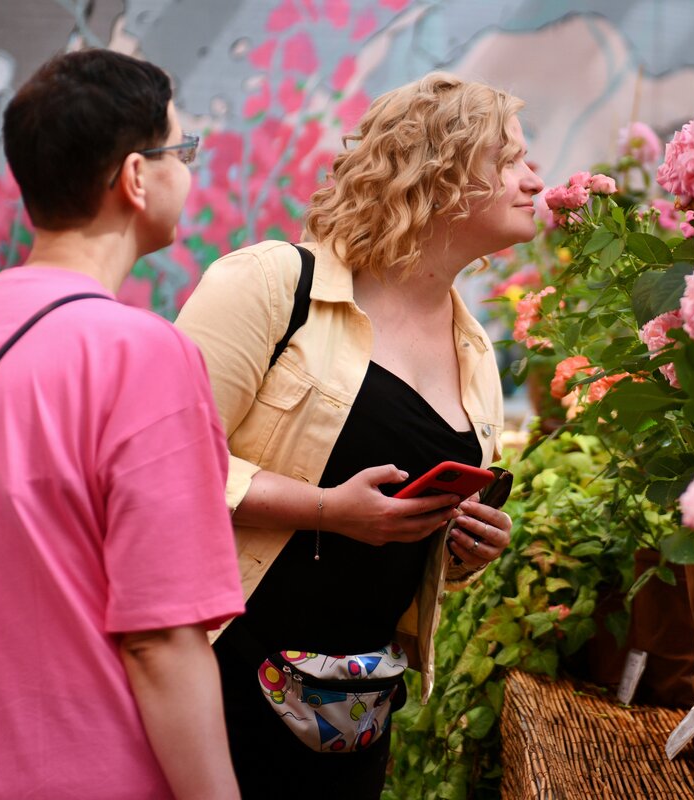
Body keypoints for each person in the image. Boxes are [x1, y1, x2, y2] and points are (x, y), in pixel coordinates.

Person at [0, 49, 246, 800]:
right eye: (182, 150)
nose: (189, 170)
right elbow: (161, 641)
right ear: (136, 178)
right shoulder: (145, 356)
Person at [174, 71, 543, 796]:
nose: (534, 179)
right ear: (438, 174)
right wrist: (328, 510)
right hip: (215, 686)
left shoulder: (476, 354)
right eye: (509, 159)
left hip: (354, 712)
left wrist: (460, 543)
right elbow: (161, 465)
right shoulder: (274, 286)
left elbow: (399, 544)